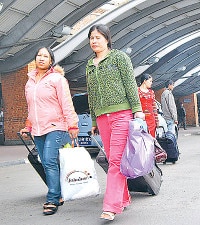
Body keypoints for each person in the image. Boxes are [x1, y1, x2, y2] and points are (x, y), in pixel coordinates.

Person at [86, 24, 144, 221]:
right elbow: (92, 94)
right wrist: (93, 119)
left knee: (117, 161)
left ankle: (110, 206)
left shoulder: (119, 57)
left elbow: (130, 84)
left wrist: (137, 110)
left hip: (122, 114)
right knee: (113, 161)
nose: (94, 41)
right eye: (91, 38)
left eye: (98, 37)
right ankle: (124, 198)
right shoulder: (89, 64)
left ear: (107, 40)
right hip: (102, 118)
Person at [19, 47, 79, 215]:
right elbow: (31, 107)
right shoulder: (30, 82)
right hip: (38, 129)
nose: (42, 58)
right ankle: (59, 193)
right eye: (39, 55)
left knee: (49, 160)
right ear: (35, 59)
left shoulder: (57, 79)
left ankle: (52, 198)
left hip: (56, 126)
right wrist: (28, 126)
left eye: (46, 56)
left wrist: (72, 124)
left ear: (51, 61)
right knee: (47, 162)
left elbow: (66, 103)